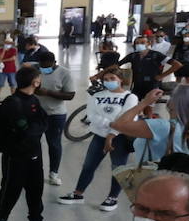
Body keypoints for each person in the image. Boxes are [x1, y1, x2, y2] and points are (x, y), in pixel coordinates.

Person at [57, 66, 136, 211]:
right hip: (99, 136)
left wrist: (112, 133)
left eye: (112, 78)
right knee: (89, 166)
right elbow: (92, 116)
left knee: (118, 168)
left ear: (121, 80)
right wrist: (111, 124)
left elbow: (127, 118)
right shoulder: (97, 96)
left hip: (120, 138)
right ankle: (78, 194)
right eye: (105, 79)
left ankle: (112, 197)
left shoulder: (130, 97)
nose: (109, 81)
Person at [0, 66, 49, 221]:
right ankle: (2, 218)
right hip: (15, 156)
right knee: (10, 189)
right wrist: (33, 129)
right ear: (35, 82)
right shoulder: (12, 103)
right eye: (39, 79)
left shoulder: (34, 101)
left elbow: (42, 122)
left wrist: (33, 128)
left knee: (36, 189)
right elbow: (30, 129)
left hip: (34, 155)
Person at [109, 84, 189, 164]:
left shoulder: (162, 127)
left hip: (157, 183)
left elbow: (119, 124)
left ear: (177, 103)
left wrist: (145, 102)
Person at [33, 52, 75, 187]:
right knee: (33, 143)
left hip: (56, 114)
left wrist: (48, 93)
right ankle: (34, 172)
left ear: (54, 62)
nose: (44, 68)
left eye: (47, 66)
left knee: (54, 144)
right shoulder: (34, 70)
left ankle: (54, 173)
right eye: (41, 66)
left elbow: (70, 95)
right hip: (36, 114)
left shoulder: (65, 73)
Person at [118, 35, 178, 101]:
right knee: (135, 105)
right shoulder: (133, 56)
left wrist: (162, 76)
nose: (139, 45)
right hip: (137, 85)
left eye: (142, 43)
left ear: (148, 43)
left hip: (152, 85)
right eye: (137, 43)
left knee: (148, 108)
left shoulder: (156, 55)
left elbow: (177, 64)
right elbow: (117, 64)